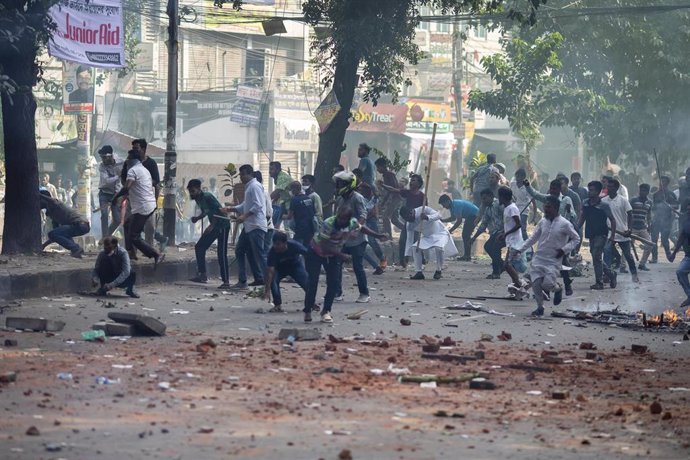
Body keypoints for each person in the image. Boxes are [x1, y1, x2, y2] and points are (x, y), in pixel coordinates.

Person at [305, 206, 387, 323]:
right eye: (340, 218)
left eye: (344, 220)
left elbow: (361, 228)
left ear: (348, 220)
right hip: (316, 252)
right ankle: (307, 309)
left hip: (333, 254)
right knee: (313, 281)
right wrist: (341, 255)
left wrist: (377, 236)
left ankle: (326, 311)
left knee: (333, 283)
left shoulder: (352, 223)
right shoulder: (328, 223)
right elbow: (324, 245)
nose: (341, 222)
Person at [518, 195, 580, 316]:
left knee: (547, 284)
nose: (546, 210)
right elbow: (532, 238)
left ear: (556, 208)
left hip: (553, 260)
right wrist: (520, 250)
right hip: (539, 258)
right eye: (545, 207)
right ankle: (540, 308)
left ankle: (558, 288)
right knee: (536, 284)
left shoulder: (565, 224)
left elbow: (576, 239)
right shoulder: (543, 222)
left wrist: (564, 250)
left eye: (548, 208)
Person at [114, 149, 164, 268]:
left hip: (142, 207)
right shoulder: (143, 169)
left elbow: (126, 188)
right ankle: (130, 252)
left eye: (129, 157)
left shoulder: (133, 170)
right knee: (127, 225)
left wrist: (115, 198)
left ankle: (156, 254)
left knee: (134, 236)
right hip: (147, 205)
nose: (126, 160)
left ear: (133, 159)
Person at [222, 164, 267, 290]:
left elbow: (258, 206)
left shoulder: (255, 186)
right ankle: (247, 280)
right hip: (249, 226)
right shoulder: (249, 187)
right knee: (241, 250)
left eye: (243, 174)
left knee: (260, 254)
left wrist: (244, 216)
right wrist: (230, 209)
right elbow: (244, 205)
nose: (241, 177)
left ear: (250, 174)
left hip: (256, 225)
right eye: (240, 174)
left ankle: (269, 281)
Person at [333, 171, 371, 303]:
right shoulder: (340, 199)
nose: (338, 187)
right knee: (336, 265)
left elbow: (362, 216)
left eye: (341, 184)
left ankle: (364, 293)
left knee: (357, 267)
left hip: (357, 240)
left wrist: (355, 229)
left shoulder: (357, 198)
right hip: (343, 239)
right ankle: (337, 293)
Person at [187, 179, 231, 288]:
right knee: (199, 247)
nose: (191, 193)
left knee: (221, 253)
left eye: (193, 191)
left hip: (222, 225)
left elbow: (218, 210)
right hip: (214, 226)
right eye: (190, 191)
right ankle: (202, 275)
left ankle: (226, 281)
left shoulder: (207, 196)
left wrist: (211, 226)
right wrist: (197, 218)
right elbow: (206, 211)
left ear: (198, 189)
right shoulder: (198, 199)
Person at [577, 181, 617, 290]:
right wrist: (576, 229)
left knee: (596, 255)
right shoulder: (585, 203)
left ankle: (599, 283)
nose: (590, 192)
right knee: (596, 257)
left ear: (598, 191)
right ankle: (611, 274)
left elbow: (612, 220)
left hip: (601, 234)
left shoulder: (604, 205)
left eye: (592, 190)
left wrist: (612, 235)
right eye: (589, 190)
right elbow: (582, 218)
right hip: (591, 233)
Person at [400, 205, 457, 280]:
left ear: (411, 213)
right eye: (405, 219)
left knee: (439, 248)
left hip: (441, 233)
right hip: (428, 237)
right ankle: (419, 272)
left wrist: (427, 217)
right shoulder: (409, 224)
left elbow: (439, 215)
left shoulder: (424, 209)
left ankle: (438, 270)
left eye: (408, 218)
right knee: (415, 247)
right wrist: (407, 254)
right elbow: (409, 240)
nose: (408, 220)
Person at [380, 173, 425, 268]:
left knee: (415, 242)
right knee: (403, 241)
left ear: (419, 183)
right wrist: (383, 185)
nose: (411, 182)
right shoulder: (407, 192)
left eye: (414, 180)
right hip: (408, 221)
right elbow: (393, 190)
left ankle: (420, 259)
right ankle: (402, 261)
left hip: (417, 222)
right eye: (411, 180)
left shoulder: (422, 197)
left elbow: (425, 210)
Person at [602, 179, 639, 284]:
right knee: (607, 254)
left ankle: (634, 274)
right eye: (608, 186)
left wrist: (629, 229)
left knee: (628, 255)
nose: (609, 188)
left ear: (617, 188)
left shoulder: (623, 200)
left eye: (611, 187)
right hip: (609, 233)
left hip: (622, 232)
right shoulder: (604, 201)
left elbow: (630, 215)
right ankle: (607, 275)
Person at [263, 232, 310, 313]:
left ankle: (310, 303)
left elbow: (308, 254)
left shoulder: (295, 246)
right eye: (274, 244)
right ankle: (277, 305)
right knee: (273, 281)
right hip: (280, 269)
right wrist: (267, 290)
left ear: (285, 243)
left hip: (295, 266)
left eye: (278, 244)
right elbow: (270, 272)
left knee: (306, 283)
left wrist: (310, 269)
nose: (276, 246)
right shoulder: (272, 252)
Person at [353, 168, 386, 273]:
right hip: (358, 219)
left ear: (359, 177)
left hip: (369, 218)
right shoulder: (352, 188)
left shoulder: (366, 187)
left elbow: (372, 202)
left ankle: (381, 259)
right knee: (358, 245)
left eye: (355, 176)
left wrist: (368, 215)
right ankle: (375, 266)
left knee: (371, 241)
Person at [40, 190, 90, 258]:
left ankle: (76, 248)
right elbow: (55, 236)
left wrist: (38, 194)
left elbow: (52, 200)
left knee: (53, 233)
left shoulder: (56, 204)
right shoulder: (52, 213)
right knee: (58, 234)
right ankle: (76, 250)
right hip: (81, 226)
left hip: (80, 224)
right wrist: (44, 245)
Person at [469, 189, 505, 279]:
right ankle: (501, 264)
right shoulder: (487, 208)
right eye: (482, 199)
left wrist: (505, 230)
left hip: (505, 231)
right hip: (496, 232)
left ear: (491, 197)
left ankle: (496, 272)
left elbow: (507, 217)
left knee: (495, 248)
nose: (483, 201)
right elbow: (483, 224)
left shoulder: (498, 204)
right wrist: (474, 237)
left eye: (485, 198)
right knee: (488, 247)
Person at [497, 187, 525, 288]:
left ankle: (520, 284)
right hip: (511, 241)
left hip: (515, 241)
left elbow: (518, 225)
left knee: (507, 264)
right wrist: (503, 233)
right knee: (511, 265)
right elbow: (509, 225)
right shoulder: (507, 208)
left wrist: (505, 234)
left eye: (499, 196)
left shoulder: (512, 208)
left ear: (503, 197)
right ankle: (516, 287)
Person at [438, 195, 478, 261]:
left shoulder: (456, 205)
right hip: (471, 216)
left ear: (448, 201)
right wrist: (443, 220)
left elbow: (459, 221)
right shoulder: (452, 206)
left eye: (443, 204)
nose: (444, 207)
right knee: (466, 235)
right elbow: (453, 218)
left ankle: (467, 256)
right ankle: (467, 255)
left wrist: (450, 230)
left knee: (465, 235)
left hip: (474, 216)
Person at [97, 145, 123, 238]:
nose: (103, 160)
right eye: (102, 157)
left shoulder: (121, 162)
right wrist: (118, 176)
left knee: (117, 220)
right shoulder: (101, 166)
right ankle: (104, 237)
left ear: (110, 156)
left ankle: (107, 236)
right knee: (104, 215)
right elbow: (106, 181)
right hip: (104, 193)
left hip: (116, 194)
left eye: (104, 157)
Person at [668, 199, 690, 308]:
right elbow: (682, 236)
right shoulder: (685, 218)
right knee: (680, 271)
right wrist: (674, 253)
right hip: (689, 255)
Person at [375, 157, 401, 241]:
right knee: (394, 220)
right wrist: (384, 202)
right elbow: (388, 191)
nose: (378, 169)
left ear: (383, 166)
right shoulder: (386, 175)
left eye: (378, 167)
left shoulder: (389, 174)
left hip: (395, 199)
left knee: (385, 216)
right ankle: (406, 230)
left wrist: (382, 185)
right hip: (395, 198)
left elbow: (393, 188)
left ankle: (388, 236)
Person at [629, 184, 654, 271]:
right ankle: (622, 266)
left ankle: (642, 264)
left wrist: (649, 226)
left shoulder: (649, 202)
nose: (642, 192)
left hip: (643, 227)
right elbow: (628, 213)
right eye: (641, 190)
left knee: (649, 245)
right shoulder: (633, 200)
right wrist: (628, 227)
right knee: (627, 247)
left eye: (644, 191)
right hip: (632, 228)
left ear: (647, 192)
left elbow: (649, 215)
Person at [285, 180, 316, 246]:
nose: (290, 191)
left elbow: (289, 216)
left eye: (291, 189)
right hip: (311, 228)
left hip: (300, 228)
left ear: (294, 189)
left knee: (295, 247)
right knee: (306, 248)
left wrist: (281, 216)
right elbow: (313, 212)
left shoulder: (294, 200)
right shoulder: (308, 198)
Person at [510, 168, 535, 240]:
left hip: (524, 211)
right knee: (512, 229)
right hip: (514, 209)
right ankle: (512, 248)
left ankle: (528, 248)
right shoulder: (512, 184)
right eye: (517, 176)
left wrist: (534, 214)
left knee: (522, 229)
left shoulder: (527, 187)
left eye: (520, 177)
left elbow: (533, 200)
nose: (518, 178)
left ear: (523, 177)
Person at [269, 161, 293, 229]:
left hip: (291, 202)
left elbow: (277, 191)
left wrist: (265, 200)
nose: (270, 171)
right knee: (276, 220)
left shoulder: (282, 177)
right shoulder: (277, 178)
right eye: (269, 169)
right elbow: (280, 193)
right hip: (283, 201)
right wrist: (272, 202)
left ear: (278, 169)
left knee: (289, 224)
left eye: (272, 169)